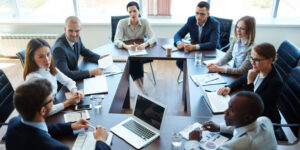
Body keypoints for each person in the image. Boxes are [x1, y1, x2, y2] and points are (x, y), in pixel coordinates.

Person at [6, 79, 110, 150]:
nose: (53, 101)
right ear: (42, 111)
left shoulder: (13, 124)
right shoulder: (56, 148)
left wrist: (70, 126)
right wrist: (101, 141)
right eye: (51, 100)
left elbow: (38, 130)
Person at [187, 91, 277, 150]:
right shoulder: (264, 120)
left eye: (231, 110)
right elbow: (245, 127)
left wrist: (193, 141)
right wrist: (219, 127)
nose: (225, 112)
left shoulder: (238, 145)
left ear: (247, 117)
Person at [217, 43, 283, 123]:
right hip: (251, 114)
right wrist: (229, 87)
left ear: (270, 60)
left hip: (263, 121)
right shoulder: (259, 68)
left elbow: (252, 106)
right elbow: (242, 79)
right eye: (251, 58)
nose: (252, 63)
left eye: (256, 60)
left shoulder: (275, 82)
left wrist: (250, 82)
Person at [23, 38, 83, 116]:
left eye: (48, 54)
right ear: (32, 59)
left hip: (55, 104)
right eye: (41, 57)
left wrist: (75, 92)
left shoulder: (49, 68)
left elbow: (68, 81)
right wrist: (68, 103)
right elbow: (45, 111)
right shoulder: (33, 79)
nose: (47, 60)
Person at [114, 1, 156, 92]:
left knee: (135, 60)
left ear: (139, 11)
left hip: (141, 51)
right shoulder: (122, 23)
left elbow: (153, 37)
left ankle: (142, 92)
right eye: (130, 12)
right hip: (127, 51)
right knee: (134, 60)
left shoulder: (144, 22)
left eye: (134, 11)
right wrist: (126, 46)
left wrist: (144, 44)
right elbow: (116, 40)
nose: (132, 14)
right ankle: (142, 91)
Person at [52, 16, 108, 80]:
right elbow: (66, 75)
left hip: (75, 73)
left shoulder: (77, 38)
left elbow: (84, 51)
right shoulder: (59, 49)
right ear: (65, 29)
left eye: (77, 31)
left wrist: (99, 57)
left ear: (80, 29)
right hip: (64, 84)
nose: (74, 34)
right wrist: (91, 72)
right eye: (70, 31)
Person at [174, 1, 220, 71]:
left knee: (205, 68)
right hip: (194, 53)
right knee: (179, 62)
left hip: (209, 52)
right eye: (197, 13)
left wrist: (194, 47)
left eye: (202, 14)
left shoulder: (214, 24)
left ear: (208, 14)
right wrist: (179, 43)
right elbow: (178, 35)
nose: (198, 17)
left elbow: (213, 44)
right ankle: (189, 78)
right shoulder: (191, 20)